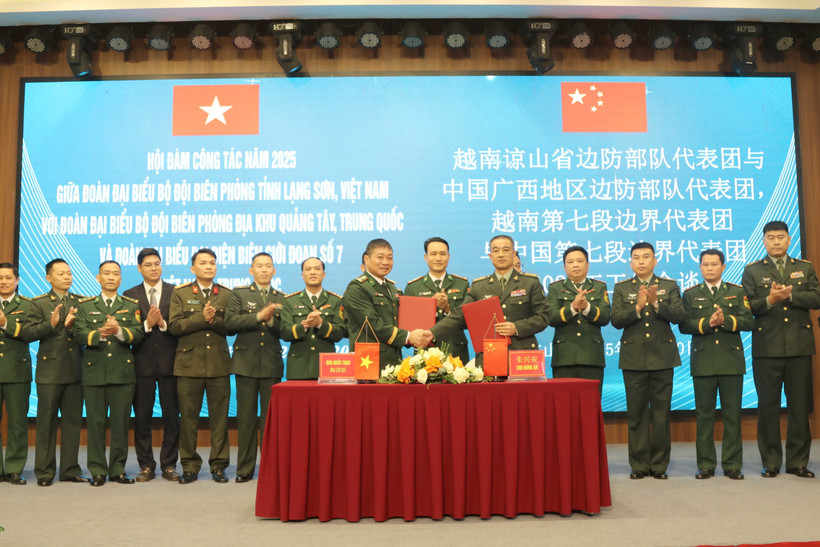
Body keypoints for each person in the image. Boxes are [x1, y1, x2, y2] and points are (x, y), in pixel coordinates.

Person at [741, 220, 820, 479]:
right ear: (763, 241)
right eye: (771, 237)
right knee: (768, 406)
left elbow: (817, 297)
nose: (776, 241)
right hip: (767, 349)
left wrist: (791, 296)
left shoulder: (804, 268)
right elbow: (747, 307)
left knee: (799, 406)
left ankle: (798, 462)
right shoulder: (753, 271)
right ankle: (771, 461)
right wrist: (769, 300)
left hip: (799, 347)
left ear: (789, 240)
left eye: (780, 237)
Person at [611, 242, 684, 480]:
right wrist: (638, 306)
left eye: (646, 257)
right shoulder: (622, 288)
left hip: (663, 358)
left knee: (661, 414)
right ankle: (639, 465)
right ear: (631, 262)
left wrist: (655, 304)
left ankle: (660, 465)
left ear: (655, 260)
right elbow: (616, 320)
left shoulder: (668, 285)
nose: (641, 261)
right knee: (637, 413)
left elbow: (679, 315)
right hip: (633, 359)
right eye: (636, 258)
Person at [680, 249, 752, 480]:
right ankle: (706, 465)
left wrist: (727, 321)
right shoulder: (690, 294)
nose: (709, 268)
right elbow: (684, 325)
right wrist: (707, 323)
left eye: (714, 264)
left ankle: (732, 465)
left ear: (723, 266)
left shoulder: (737, 291)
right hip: (703, 362)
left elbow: (748, 320)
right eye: (705, 264)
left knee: (733, 416)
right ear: (700, 268)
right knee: (704, 416)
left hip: (731, 362)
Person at [429, 235, 549, 367]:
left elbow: (543, 317)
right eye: (496, 251)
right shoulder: (479, 286)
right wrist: (431, 333)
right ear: (490, 255)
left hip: (521, 355)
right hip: (490, 356)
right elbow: (459, 315)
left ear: (514, 254)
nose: (501, 255)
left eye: (506, 250)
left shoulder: (530, 283)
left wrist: (516, 328)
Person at [74, 261, 144, 486]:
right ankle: (97, 470)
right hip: (95, 372)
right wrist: (102, 334)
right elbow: (79, 333)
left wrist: (119, 331)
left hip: (122, 374)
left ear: (121, 279)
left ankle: (117, 469)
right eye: (107, 273)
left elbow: (138, 333)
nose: (111, 277)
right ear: (98, 278)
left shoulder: (131, 305)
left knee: (121, 424)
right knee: (95, 424)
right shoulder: (85, 306)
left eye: (116, 274)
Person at [23, 258, 90, 486]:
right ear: (48, 278)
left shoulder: (81, 302)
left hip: (75, 370)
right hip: (49, 372)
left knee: (72, 422)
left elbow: (86, 334)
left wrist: (72, 328)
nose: (67, 277)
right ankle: (44, 472)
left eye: (69, 273)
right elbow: (28, 333)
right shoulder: (39, 303)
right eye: (61, 274)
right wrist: (50, 324)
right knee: (46, 423)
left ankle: (70, 470)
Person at [168, 248, 232, 484]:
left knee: (220, 419)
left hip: (218, 364)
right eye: (203, 263)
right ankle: (189, 465)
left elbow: (231, 327)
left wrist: (214, 320)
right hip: (188, 365)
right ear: (193, 268)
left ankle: (219, 465)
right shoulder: (181, 293)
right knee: (188, 419)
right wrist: (201, 318)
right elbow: (174, 326)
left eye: (212, 263)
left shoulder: (226, 294)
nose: (208, 266)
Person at [225, 252, 285, 483]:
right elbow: (230, 323)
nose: (264, 270)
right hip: (245, 364)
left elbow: (285, 331)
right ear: (251, 271)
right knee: (246, 419)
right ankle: (245, 468)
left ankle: (270, 467)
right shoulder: (239, 294)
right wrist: (258, 316)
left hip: (271, 364)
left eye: (268, 266)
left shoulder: (281, 297)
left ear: (274, 271)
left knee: (270, 421)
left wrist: (270, 320)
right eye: (259, 266)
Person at [123, 248, 180, 482]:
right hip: (141, 364)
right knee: (142, 417)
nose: (154, 268)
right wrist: (147, 324)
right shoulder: (129, 294)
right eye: (148, 264)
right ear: (139, 268)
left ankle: (169, 465)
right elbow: (128, 330)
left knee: (172, 417)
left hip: (170, 363)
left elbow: (179, 325)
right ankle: (146, 465)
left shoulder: (176, 292)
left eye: (157, 263)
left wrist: (163, 324)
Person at [342, 239, 428, 369]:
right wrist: (409, 336)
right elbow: (373, 324)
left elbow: (401, 322)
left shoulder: (393, 289)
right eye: (380, 257)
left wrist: (418, 335)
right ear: (366, 259)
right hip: (369, 363)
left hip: (395, 361)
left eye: (390, 258)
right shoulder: (356, 288)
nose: (385, 262)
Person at [546, 246, 610, 390]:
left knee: (591, 404)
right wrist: (572, 308)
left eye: (580, 261)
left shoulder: (599, 287)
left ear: (587, 265)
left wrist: (587, 307)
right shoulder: (555, 288)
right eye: (570, 262)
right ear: (564, 266)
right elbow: (551, 318)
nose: (575, 265)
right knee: (563, 404)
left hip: (592, 356)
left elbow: (605, 317)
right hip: (564, 357)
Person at [404, 237, 470, 364]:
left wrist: (447, 309)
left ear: (449, 257)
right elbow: (408, 327)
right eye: (433, 254)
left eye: (442, 254)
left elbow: (469, 323)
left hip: (456, 351)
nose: (438, 258)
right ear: (425, 257)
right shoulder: (413, 287)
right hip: (425, 352)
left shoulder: (462, 284)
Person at [280, 257, 347, 380]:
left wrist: (321, 324)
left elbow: (341, 333)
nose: (312, 272)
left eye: (317, 269)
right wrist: (304, 326)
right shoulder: (290, 301)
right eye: (308, 269)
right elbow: (284, 333)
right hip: (298, 367)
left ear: (324, 274)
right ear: (302, 274)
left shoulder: (336, 301)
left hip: (327, 367)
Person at [0, 263, 35, 485]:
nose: (3, 281)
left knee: (17, 423)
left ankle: (14, 468)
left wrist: (6, 324)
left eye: (7, 277)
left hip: (17, 370)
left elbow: (32, 333)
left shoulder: (28, 305)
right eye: (0, 278)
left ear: (17, 280)